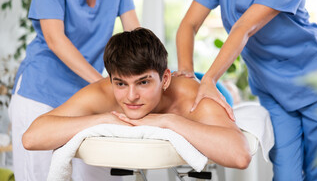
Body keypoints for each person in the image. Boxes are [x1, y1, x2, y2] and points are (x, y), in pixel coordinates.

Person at [175, 0, 317, 180]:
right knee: (286, 176)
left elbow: (243, 29)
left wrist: (210, 80)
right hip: (273, 92)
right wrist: (187, 74)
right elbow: (189, 24)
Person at [22, 28, 252, 174]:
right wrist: (102, 119)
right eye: (121, 83)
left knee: (231, 94)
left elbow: (239, 156)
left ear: (164, 79)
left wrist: (169, 121)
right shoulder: (104, 92)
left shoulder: (192, 99)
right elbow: (32, 138)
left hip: (207, 85)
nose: (131, 96)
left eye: (143, 83)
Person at [8, 0, 140, 180]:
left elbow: (137, 36)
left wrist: (155, 74)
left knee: (100, 173)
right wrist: (106, 85)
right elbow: (54, 38)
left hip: (87, 97)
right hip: (41, 93)